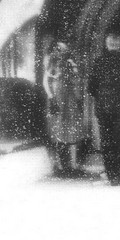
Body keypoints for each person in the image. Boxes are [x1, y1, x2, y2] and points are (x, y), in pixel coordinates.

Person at [88, 33, 120, 186]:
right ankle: (118, 175)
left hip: (103, 106)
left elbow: (91, 87)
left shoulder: (98, 61)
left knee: (106, 140)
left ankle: (110, 174)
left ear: (107, 45)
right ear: (119, 45)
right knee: (118, 140)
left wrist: (101, 95)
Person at [43, 40, 84, 176]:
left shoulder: (71, 63)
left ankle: (73, 165)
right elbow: (45, 81)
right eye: (60, 49)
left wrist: (78, 98)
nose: (62, 52)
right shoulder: (52, 64)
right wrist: (51, 97)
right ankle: (59, 165)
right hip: (58, 98)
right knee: (58, 130)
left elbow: (77, 80)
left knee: (72, 131)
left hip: (70, 99)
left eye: (64, 49)